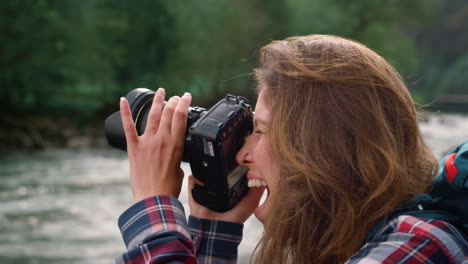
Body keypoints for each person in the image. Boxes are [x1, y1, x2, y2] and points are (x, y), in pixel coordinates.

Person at [115, 34, 468, 264]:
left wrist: (153, 206)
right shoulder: (380, 238)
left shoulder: (419, 247)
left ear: (322, 150)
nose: (241, 155)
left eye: (262, 131)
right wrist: (212, 228)